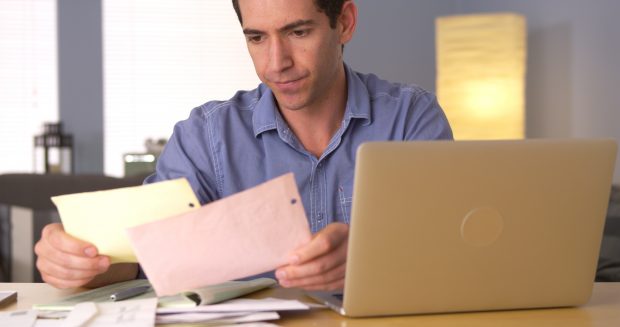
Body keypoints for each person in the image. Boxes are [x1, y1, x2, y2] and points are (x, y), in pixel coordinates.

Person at [34, 0, 452, 292]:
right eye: (256, 37)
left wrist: (368, 256)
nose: (276, 62)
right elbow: (145, 255)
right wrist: (80, 263)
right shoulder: (206, 135)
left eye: (298, 31)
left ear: (343, 22)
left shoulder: (411, 118)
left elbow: (449, 250)